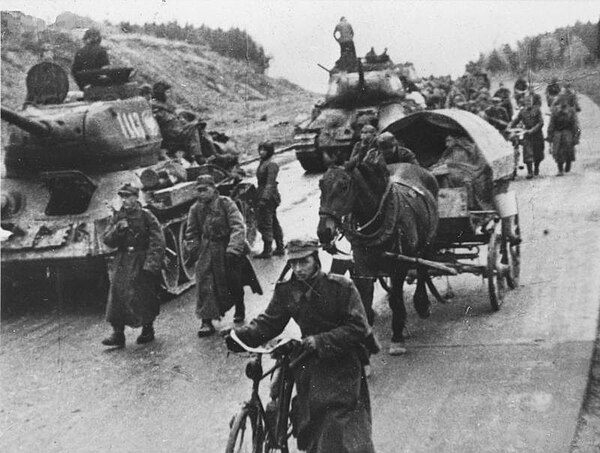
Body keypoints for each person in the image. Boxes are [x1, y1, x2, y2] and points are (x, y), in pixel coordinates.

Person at [227, 237, 376, 453]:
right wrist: (239, 336)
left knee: (335, 420)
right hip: (310, 360)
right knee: (307, 415)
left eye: (303, 262)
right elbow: (270, 322)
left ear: (316, 260)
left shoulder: (340, 287)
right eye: (293, 263)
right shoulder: (287, 290)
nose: (298, 269)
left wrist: (319, 341)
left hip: (342, 361)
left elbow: (358, 328)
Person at [185, 175, 262, 335]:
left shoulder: (226, 204)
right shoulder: (195, 209)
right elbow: (191, 232)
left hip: (227, 247)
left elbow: (237, 226)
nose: (201, 194)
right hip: (207, 249)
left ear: (214, 189)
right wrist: (194, 248)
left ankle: (239, 306)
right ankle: (206, 320)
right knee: (204, 282)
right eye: (198, 191)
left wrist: (233, 249)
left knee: (234, 280)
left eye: (205, 190)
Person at [101, 183, 165, 347]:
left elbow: (158, 240)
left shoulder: (146, 215)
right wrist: (117, 229)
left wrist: (151, 264)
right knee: (117, 294)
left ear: (136, 198)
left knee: (144, 294)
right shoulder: (118, 217)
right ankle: (118, 333)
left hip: (141, 258)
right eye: (122, 197)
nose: (124, 200)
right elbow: (107, 240)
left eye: (128, 196)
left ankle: (148, 329)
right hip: (123, 259)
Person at [151, 81, 203, 163]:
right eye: (167, 92)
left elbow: (175, 118)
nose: (169, 95)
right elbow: (165, 123)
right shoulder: (157, 108)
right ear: (161, 94)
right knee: (194, 129)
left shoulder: (164, 106)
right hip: (171, 137)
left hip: (176, 133)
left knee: (198, 126)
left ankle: (212, 154)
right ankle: (198, 157)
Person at [254, 141, 285, 259]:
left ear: (269, 151)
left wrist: (264, 199)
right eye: (260, 150)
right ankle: (280, 247)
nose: (261, 152)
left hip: (269, 196)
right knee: (273, 221)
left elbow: (270, 183)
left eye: (264, 150)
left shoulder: (271, 164)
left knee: (265, 222)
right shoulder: (264, 162)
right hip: (264, 194)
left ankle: (267, 250)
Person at [509, 95, 545, 179]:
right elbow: (516, 120)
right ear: (524, 102)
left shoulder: (537, 110)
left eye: (530, 101)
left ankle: (536, 168)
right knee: (527, 152)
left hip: (537, 134)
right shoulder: (522, 111)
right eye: (527, 101)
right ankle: (530, 172)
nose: (528, 103)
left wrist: (533, 130)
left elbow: (541, 123)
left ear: (532, 102)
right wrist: (509, 126)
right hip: (527, 134)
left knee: (538, 153)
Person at [547, 99, 579, 176]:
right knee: (558, 152)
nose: (563, 102)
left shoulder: (571, 111)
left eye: (564, 100)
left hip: (568, 133)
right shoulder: (555, 111)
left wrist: (576, 136)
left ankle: (568, 162)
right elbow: (552, 124)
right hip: (557, 134)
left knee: (568, 150)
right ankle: (560, 169)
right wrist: (550, 135)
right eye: (561, 100)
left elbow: (575, 125)